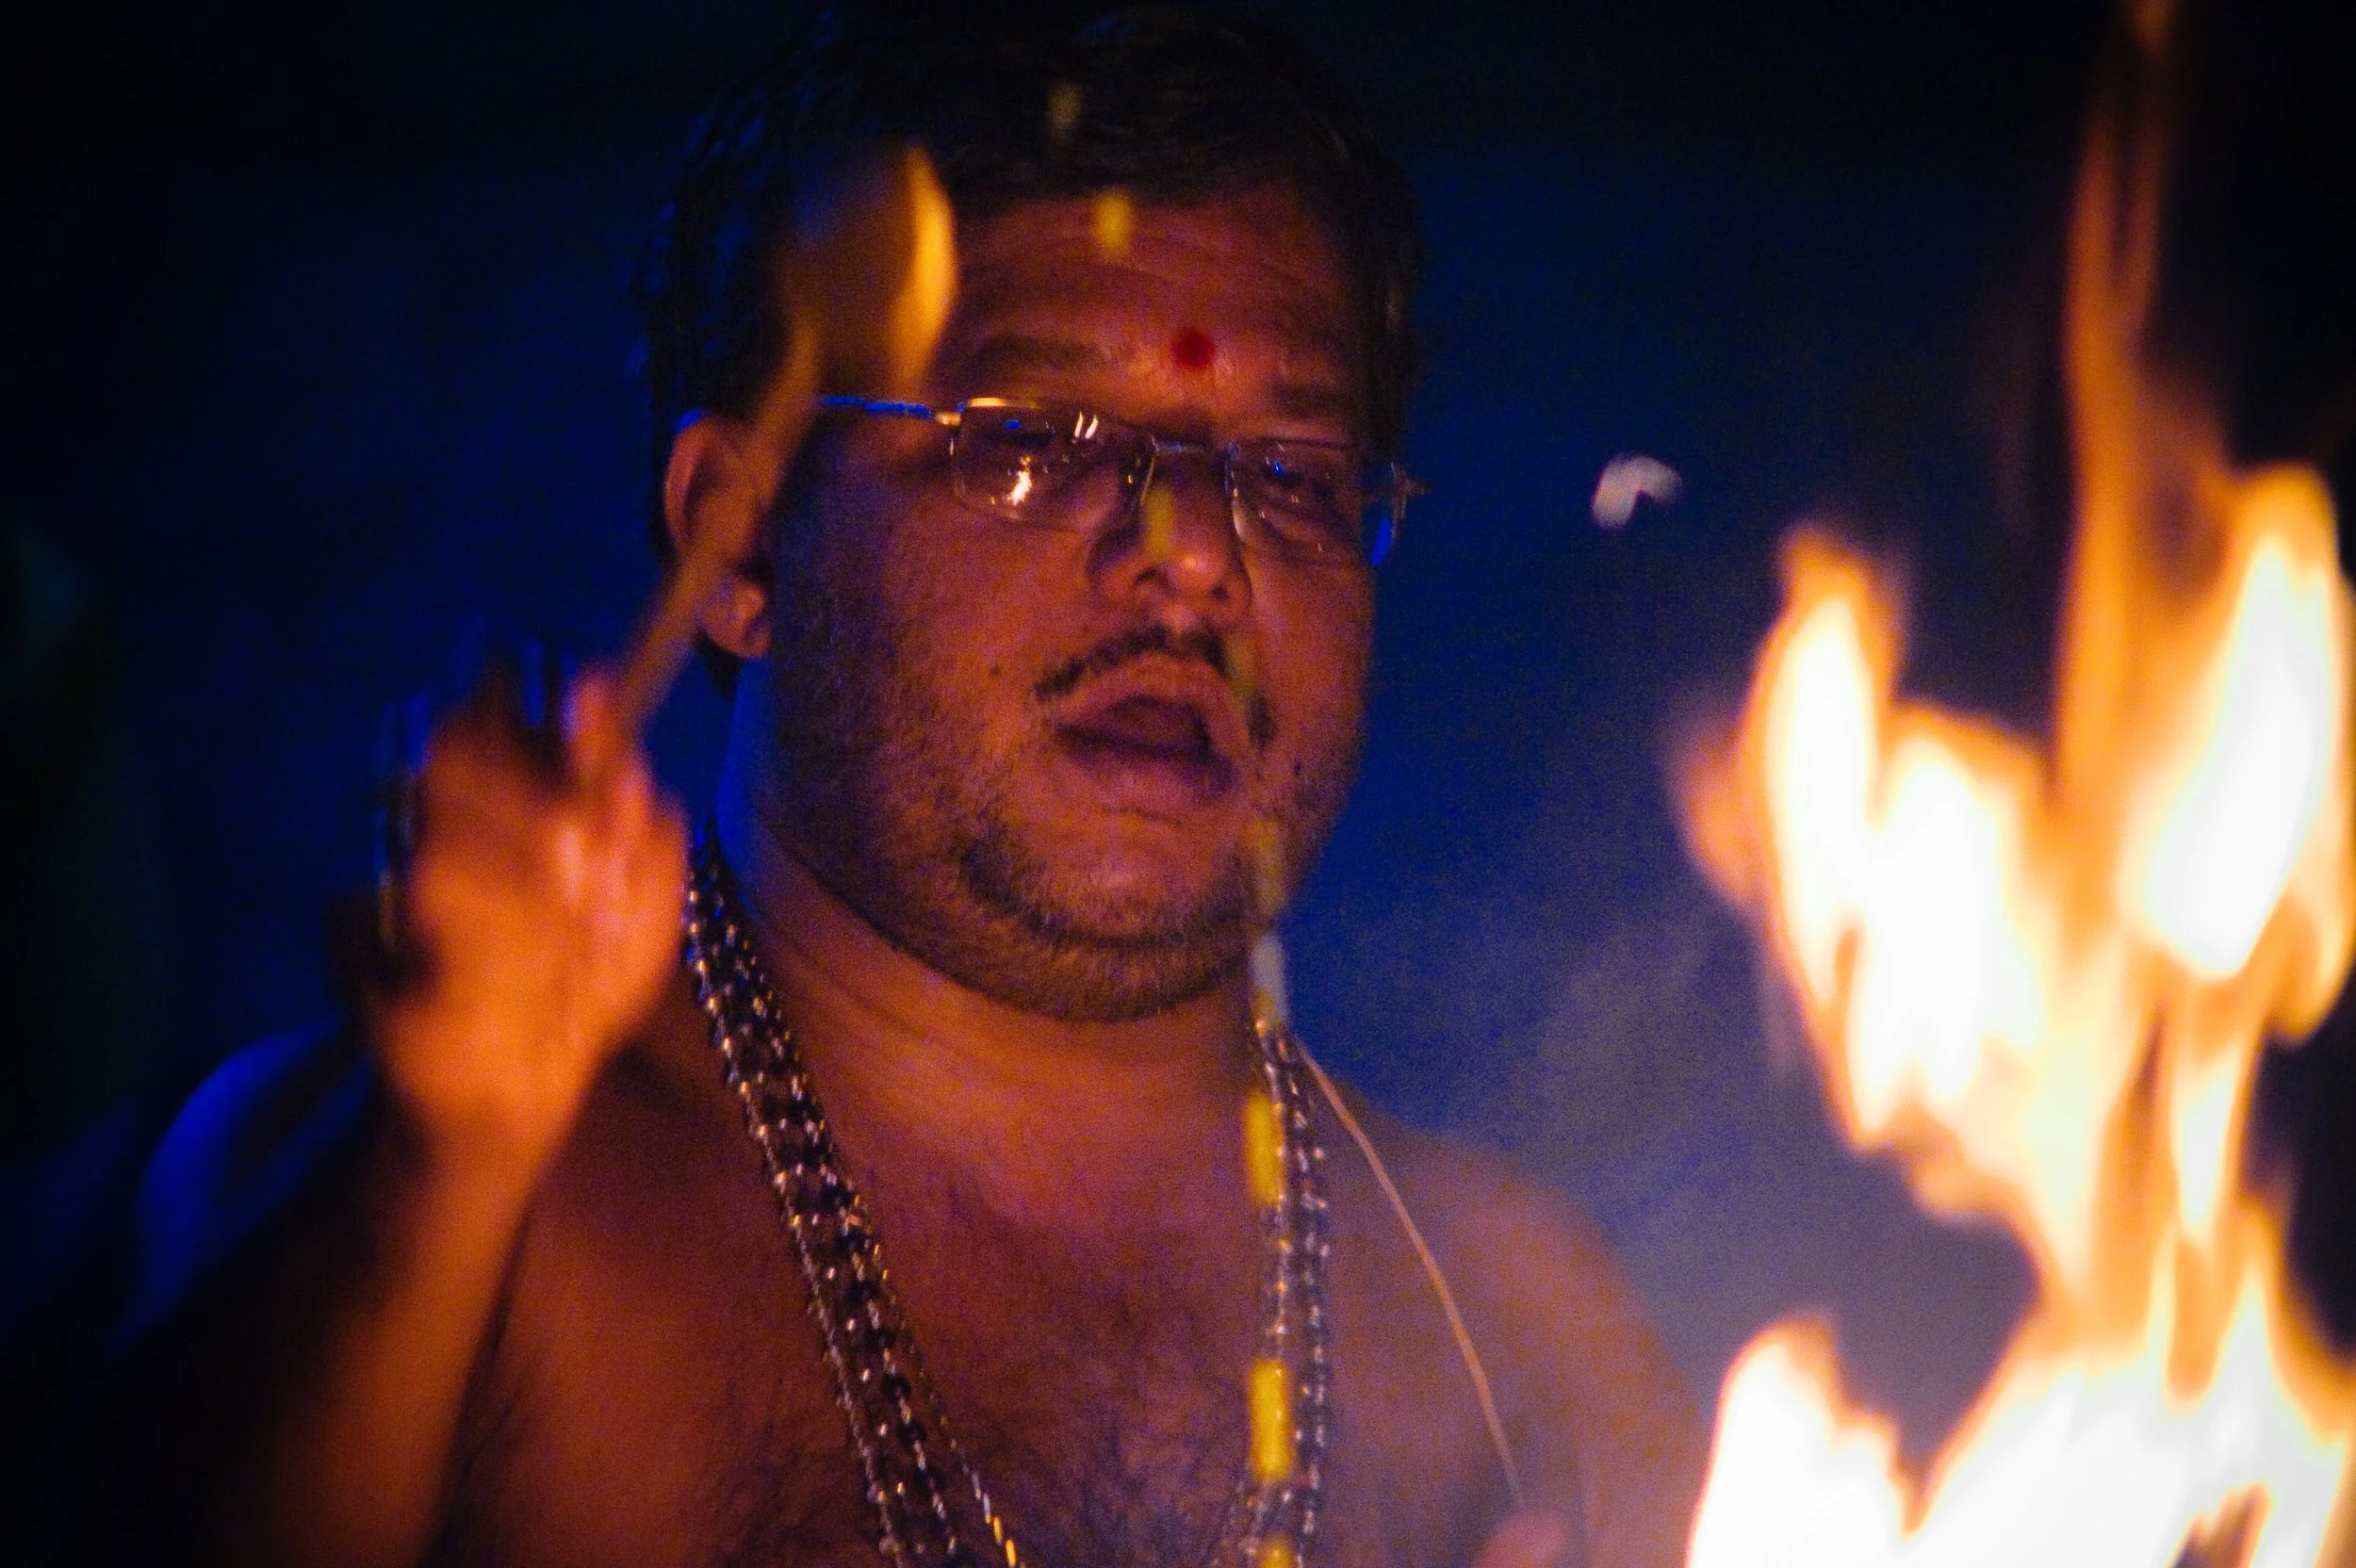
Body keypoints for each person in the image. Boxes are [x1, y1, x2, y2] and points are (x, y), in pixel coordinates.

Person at [74, 7, 1708, 1565]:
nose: (1195, 558)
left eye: (1286, 477)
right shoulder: (448, 1209)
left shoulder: (1521, 1335)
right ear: (745, 538)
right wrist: (437, 1168)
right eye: (1036, 440)